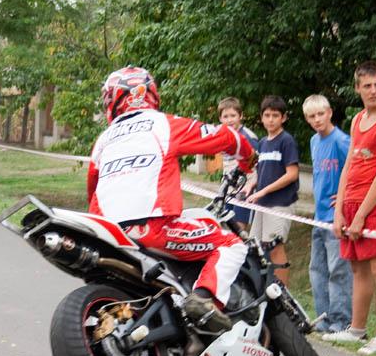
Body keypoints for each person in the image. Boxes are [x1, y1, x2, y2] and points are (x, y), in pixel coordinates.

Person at [88, 66, 256, 332]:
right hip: (152, 228)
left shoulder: (103, 140)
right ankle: (204, 298)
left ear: (112, 100)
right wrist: (249, 161)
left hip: (106, 233)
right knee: (231, 244)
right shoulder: (163, 124)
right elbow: (226, 137)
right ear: (151, 94)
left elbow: (92, 186)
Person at [323, 61, 376, 355]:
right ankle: (357, 330)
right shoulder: (358, 119)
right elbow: (349, 165)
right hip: (351, 204)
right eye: (367, 86)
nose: (373, 91)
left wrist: (360, 215)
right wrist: (340, 211)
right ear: (357, 88)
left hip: (375, 205)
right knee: (358, 268)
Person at [303, 94, 353, 333]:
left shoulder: (342, 141)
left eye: (321, 114)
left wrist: (345, 199)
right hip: (319, 216)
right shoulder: (314, 141)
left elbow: (356, 172)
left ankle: (341, 321)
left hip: (336, 217)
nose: (317, 119)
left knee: (338, 271)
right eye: (312, 116)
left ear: (330, 113)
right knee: (317, 270)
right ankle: (323, 319)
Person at [241, 95, 299, 285]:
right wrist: (251, 184)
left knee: (275, 248)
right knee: (255, 248)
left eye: (275, 115)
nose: (271, 119)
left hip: (280, 203)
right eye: (267, 115)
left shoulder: (286, 141)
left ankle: (282, 292)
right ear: (261, 117)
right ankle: (261, 288)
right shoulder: (263, 142)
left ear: (283, 117)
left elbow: (292, 174)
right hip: (262, 204)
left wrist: (264, 191)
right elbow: (260, 170)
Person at [217, 97, 258, 232]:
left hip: (245, 189)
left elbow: (256, 165)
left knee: (239, 228)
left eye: (233, 115)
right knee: (226, 227)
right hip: (229, 189)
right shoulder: (223, 136)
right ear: (220, 119)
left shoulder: (248, 136)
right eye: (225, 116)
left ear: (241, 116)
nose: (229, 120)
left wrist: (249, 186)